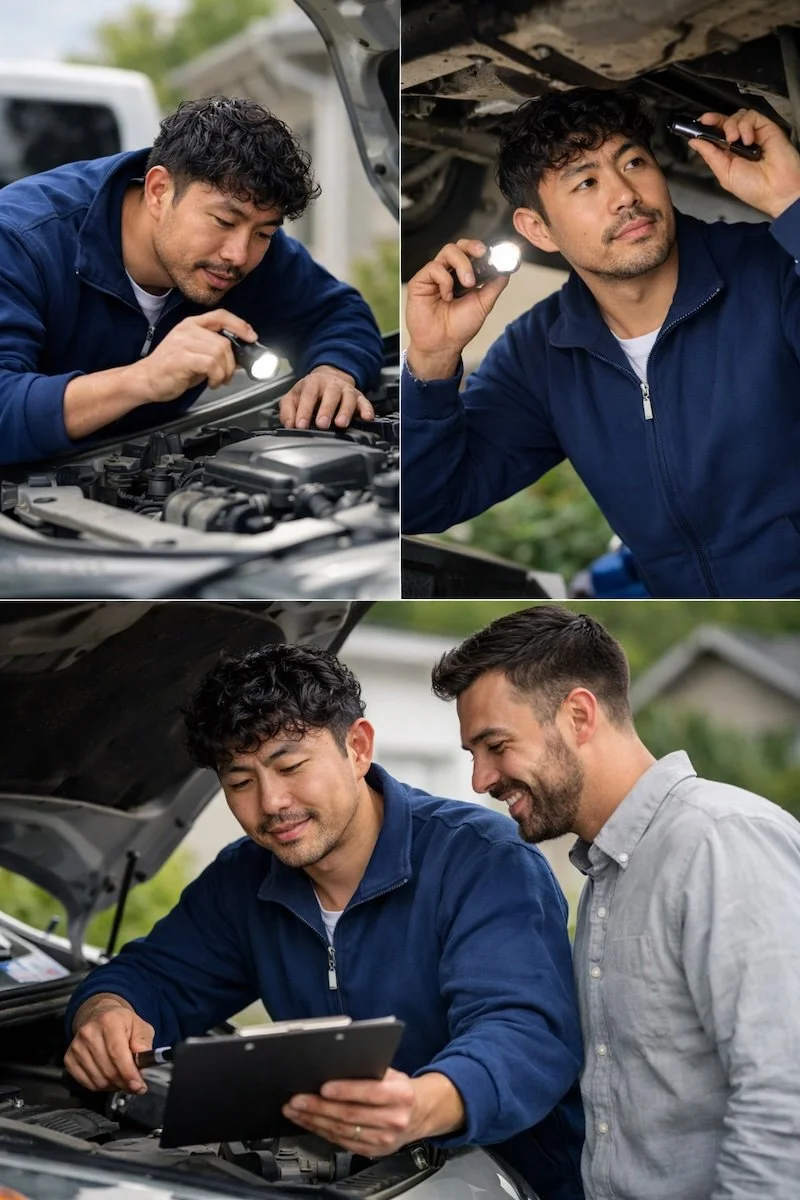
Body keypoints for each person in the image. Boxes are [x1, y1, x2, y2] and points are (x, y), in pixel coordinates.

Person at [64, 643, 585, 1200]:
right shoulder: (244, 879)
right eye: (240, 782)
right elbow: (150, 977)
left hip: (515, 1179)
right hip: (340, 1177)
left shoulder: (483, 860)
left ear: (357, 748)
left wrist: (421, 1104)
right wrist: (107, 1013)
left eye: (291, 766)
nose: (271, 803)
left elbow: (524, 1032)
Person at [430, 604, 800, 1200]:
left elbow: (786, 1092)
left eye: (495, 745)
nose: (480, 780)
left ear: (579, 714)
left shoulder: (720, 840)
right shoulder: (605, 873)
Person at [401, 88, 800, 599]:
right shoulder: (540, 354)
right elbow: (425, 502)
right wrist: (432, 359)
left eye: (633, 162)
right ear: (538, 230)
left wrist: (792, 205)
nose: (625, 194)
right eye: (587, 181)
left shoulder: (772, 271)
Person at [0, 96, 384, 465]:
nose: (239, 255)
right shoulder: (19, 240)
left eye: (264, 233)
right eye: (222, 221)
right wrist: (142, 379)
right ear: (158, 191)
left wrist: (332, 372)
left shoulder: (249, 250)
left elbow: (339, 313)